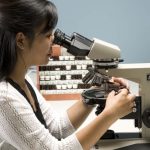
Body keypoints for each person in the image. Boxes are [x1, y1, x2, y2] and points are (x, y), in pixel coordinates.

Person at [0, 0, 136, 149]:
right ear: (21, 40)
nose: (54, 41)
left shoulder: (22, 78)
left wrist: (96, 93)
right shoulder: (5, 97)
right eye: (47, 35)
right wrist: (110, 115)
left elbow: (56, 129)